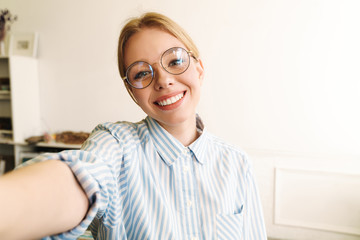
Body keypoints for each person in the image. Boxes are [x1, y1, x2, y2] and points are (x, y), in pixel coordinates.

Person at [0, 12, 267, 240]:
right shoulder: (116, 144)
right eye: (141, 73)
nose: (163, 81)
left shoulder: (237, 164)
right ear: (132, 91)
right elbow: (80, 179)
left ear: (199, 68)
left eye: (174, 61)